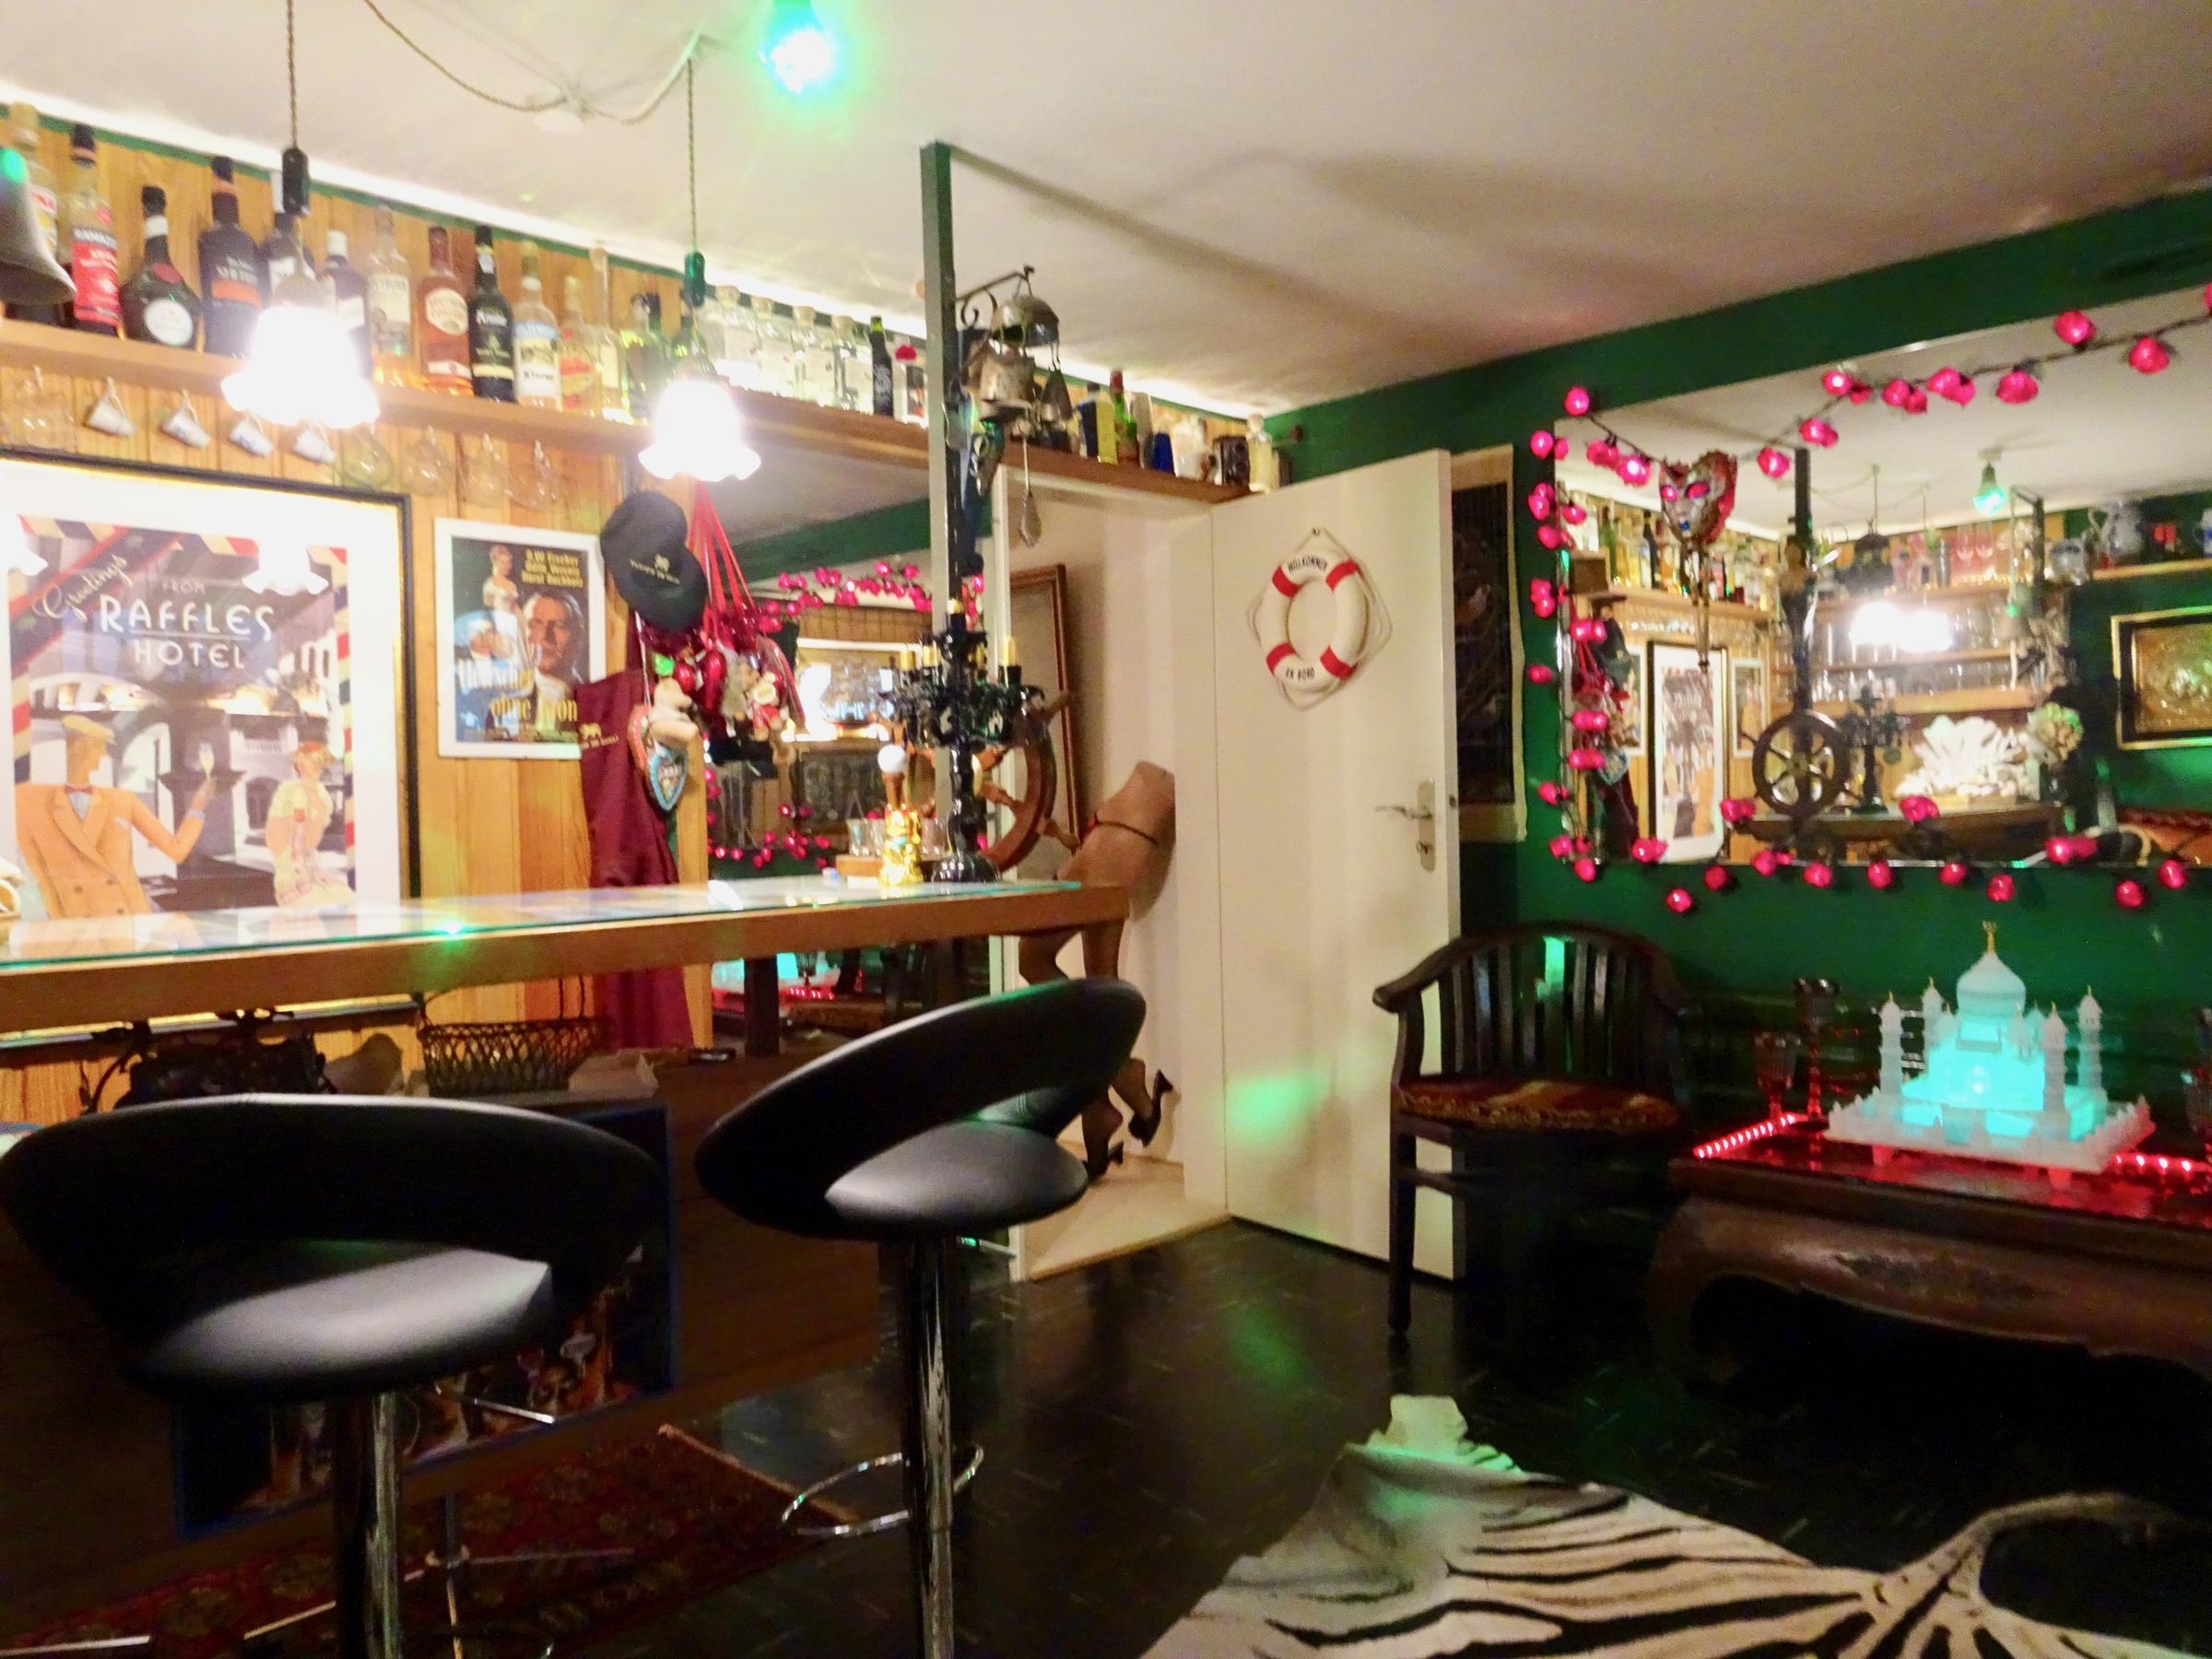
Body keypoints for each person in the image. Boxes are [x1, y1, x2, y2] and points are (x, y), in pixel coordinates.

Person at [14, 715, 213, 917]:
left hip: (128, 917)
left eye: (102, 748)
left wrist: (197, 808)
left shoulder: (122, 800)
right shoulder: (31, 801)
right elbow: (36, 871)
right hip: (74, 922)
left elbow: (176, 850)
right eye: (97, 747)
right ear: (76, 748)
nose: (101, 755)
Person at [265, 741, 352, 909]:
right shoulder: (291, 791)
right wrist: (299, 865)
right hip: (290, 861)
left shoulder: (323, 795)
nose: (306, 768)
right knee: (306, 904)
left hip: (309, 860)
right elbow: (284, 833)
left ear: (321, 767)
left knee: (342, 896)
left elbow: (313, 837)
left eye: (314, 763)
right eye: (302, 763)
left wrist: (317, 815)